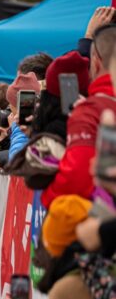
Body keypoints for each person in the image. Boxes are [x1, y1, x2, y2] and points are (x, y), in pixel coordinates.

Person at [42, 24, 116, 208]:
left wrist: (47, 196)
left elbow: (77, 179)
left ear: (96, 62)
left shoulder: (89, 111)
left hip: (100, 223)